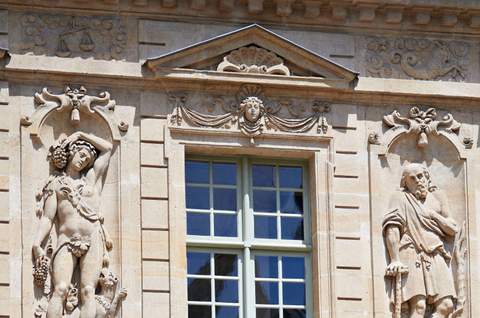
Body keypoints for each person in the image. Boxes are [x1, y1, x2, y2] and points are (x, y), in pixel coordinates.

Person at [32, 131, 113, 318]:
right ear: (72, 153)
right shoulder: (57, 185)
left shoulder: (92, 179)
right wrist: (37, 243)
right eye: (82, 155)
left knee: (88, 291)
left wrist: (81, 134)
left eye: (87, 159)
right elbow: (47, 218)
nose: (83, 161)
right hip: (66, 240)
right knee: (60, 289)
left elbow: (108, 149)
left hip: (92, 240)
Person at [383, 163, 458, 318]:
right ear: (405, 182)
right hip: (411, 251)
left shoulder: (438, 197)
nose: (418, 180)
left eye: (420, 176)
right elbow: (392, 227)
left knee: (446, 305)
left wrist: (434, 215)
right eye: (412, 178)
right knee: (419, 306)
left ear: (427, 177)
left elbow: (452, 229)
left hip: (436, 252)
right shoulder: (400, 198)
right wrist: (395, 259)